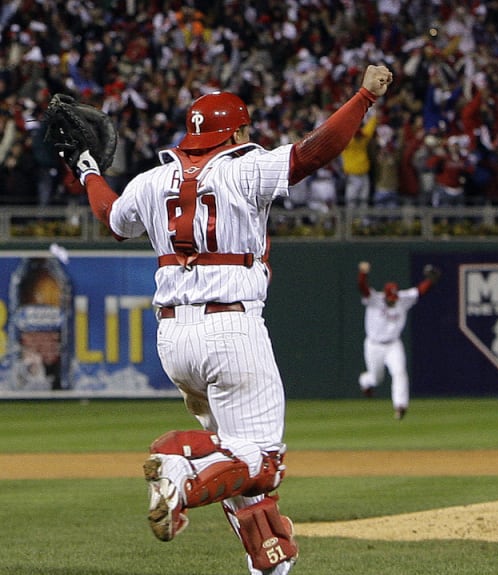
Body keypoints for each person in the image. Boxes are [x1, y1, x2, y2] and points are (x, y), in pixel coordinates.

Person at [67, 64, 393, 574]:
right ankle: (178, 465)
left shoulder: (153, 181)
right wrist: (363, 98)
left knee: (238, 467)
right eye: (246, 129)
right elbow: (314, 151)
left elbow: (111, 218)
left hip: (173, 338)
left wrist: (88, 171)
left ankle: (269, 564)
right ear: (237, 132)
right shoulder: (245, 166)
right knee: (264, 462)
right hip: (232, 328)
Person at [357, 260, 438, 419]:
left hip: (393, 344)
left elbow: (420, 291)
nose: (393, 300)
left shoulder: (402, 299)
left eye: (395, 297)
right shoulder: (375, 299)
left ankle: (400, 406)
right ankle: (365, 382)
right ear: (385, 295)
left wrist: (431, 281)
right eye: (391, 298)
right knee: (375, 378)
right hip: (374, 345)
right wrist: (363, 273)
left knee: (399, 372)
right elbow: (362, 288)